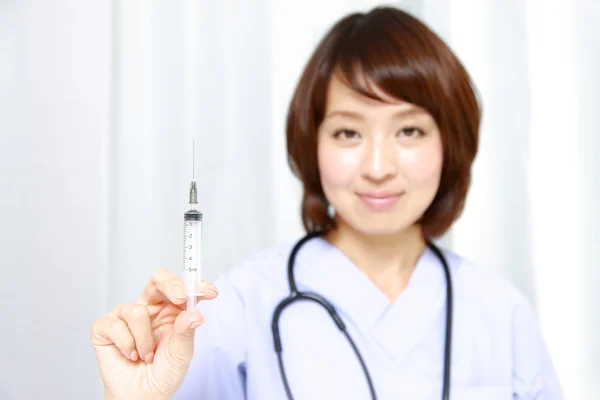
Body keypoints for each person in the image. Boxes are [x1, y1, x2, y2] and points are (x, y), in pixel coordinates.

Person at [91, 6, 564, 400]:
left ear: (451, 144)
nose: (378, 166)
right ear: (310, 143)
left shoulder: (502, 314)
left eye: (409, 130)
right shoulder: (234, 307)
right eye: (348, 132)